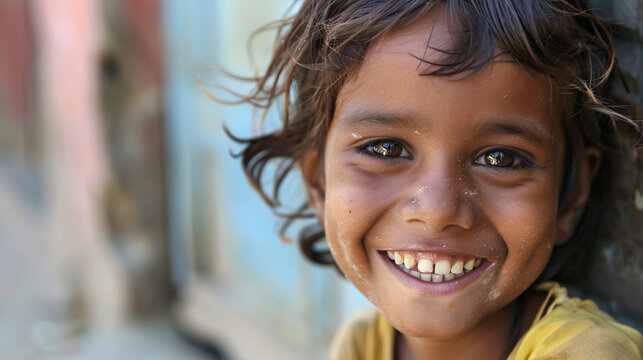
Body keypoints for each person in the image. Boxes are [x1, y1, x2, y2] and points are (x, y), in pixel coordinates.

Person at [225, 0, 643, 358]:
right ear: (319, 185)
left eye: (500, 158)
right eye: (385, 149)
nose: (439, 209)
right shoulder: (363, 344)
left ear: (570, 195)